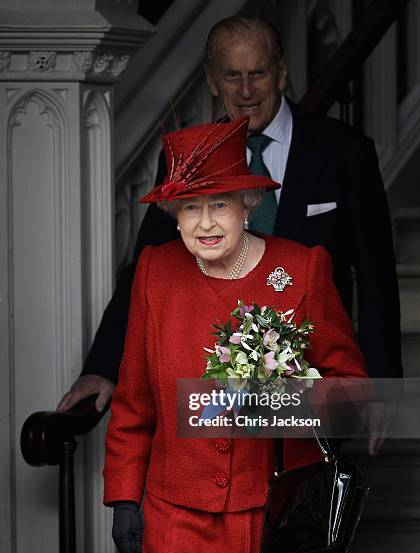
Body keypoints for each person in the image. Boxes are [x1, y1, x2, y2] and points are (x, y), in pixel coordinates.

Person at [57, 16, 401, 416]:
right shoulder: (187, 158)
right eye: (232, 75)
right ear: (211, 80)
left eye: (257, 73)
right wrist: (101, 367)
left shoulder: (346, 151)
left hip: (314, 381)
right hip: (214, 385)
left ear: (281, 72)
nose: (246, 90)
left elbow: (376, 277)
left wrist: (383, 386)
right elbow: (148, 268)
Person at [103, 116, 368, 553]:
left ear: (248, 205)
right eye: (190, 208)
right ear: (173, 214)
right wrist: (122, 497)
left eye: (219, 205)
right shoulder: (154, 273)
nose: (205, 223)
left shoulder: (302, 269)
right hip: (178, 527)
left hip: (280, 526)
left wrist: (275, 399)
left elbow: (352, 396)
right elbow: (134, 401)